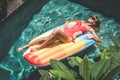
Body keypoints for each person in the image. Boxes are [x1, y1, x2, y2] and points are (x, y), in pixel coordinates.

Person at [18, 15, 101, 52]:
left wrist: (92, 37)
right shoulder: (81, 21)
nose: (90, 18)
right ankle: (26, 46)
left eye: (93, 18)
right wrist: (65, 24)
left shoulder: (90, 28)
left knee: (56, 31)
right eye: (91, 17)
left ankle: (40, 47)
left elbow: (99, 40)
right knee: (45, 38)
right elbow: (69, 21)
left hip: (69, 38)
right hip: (63, 33)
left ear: (94, 23)